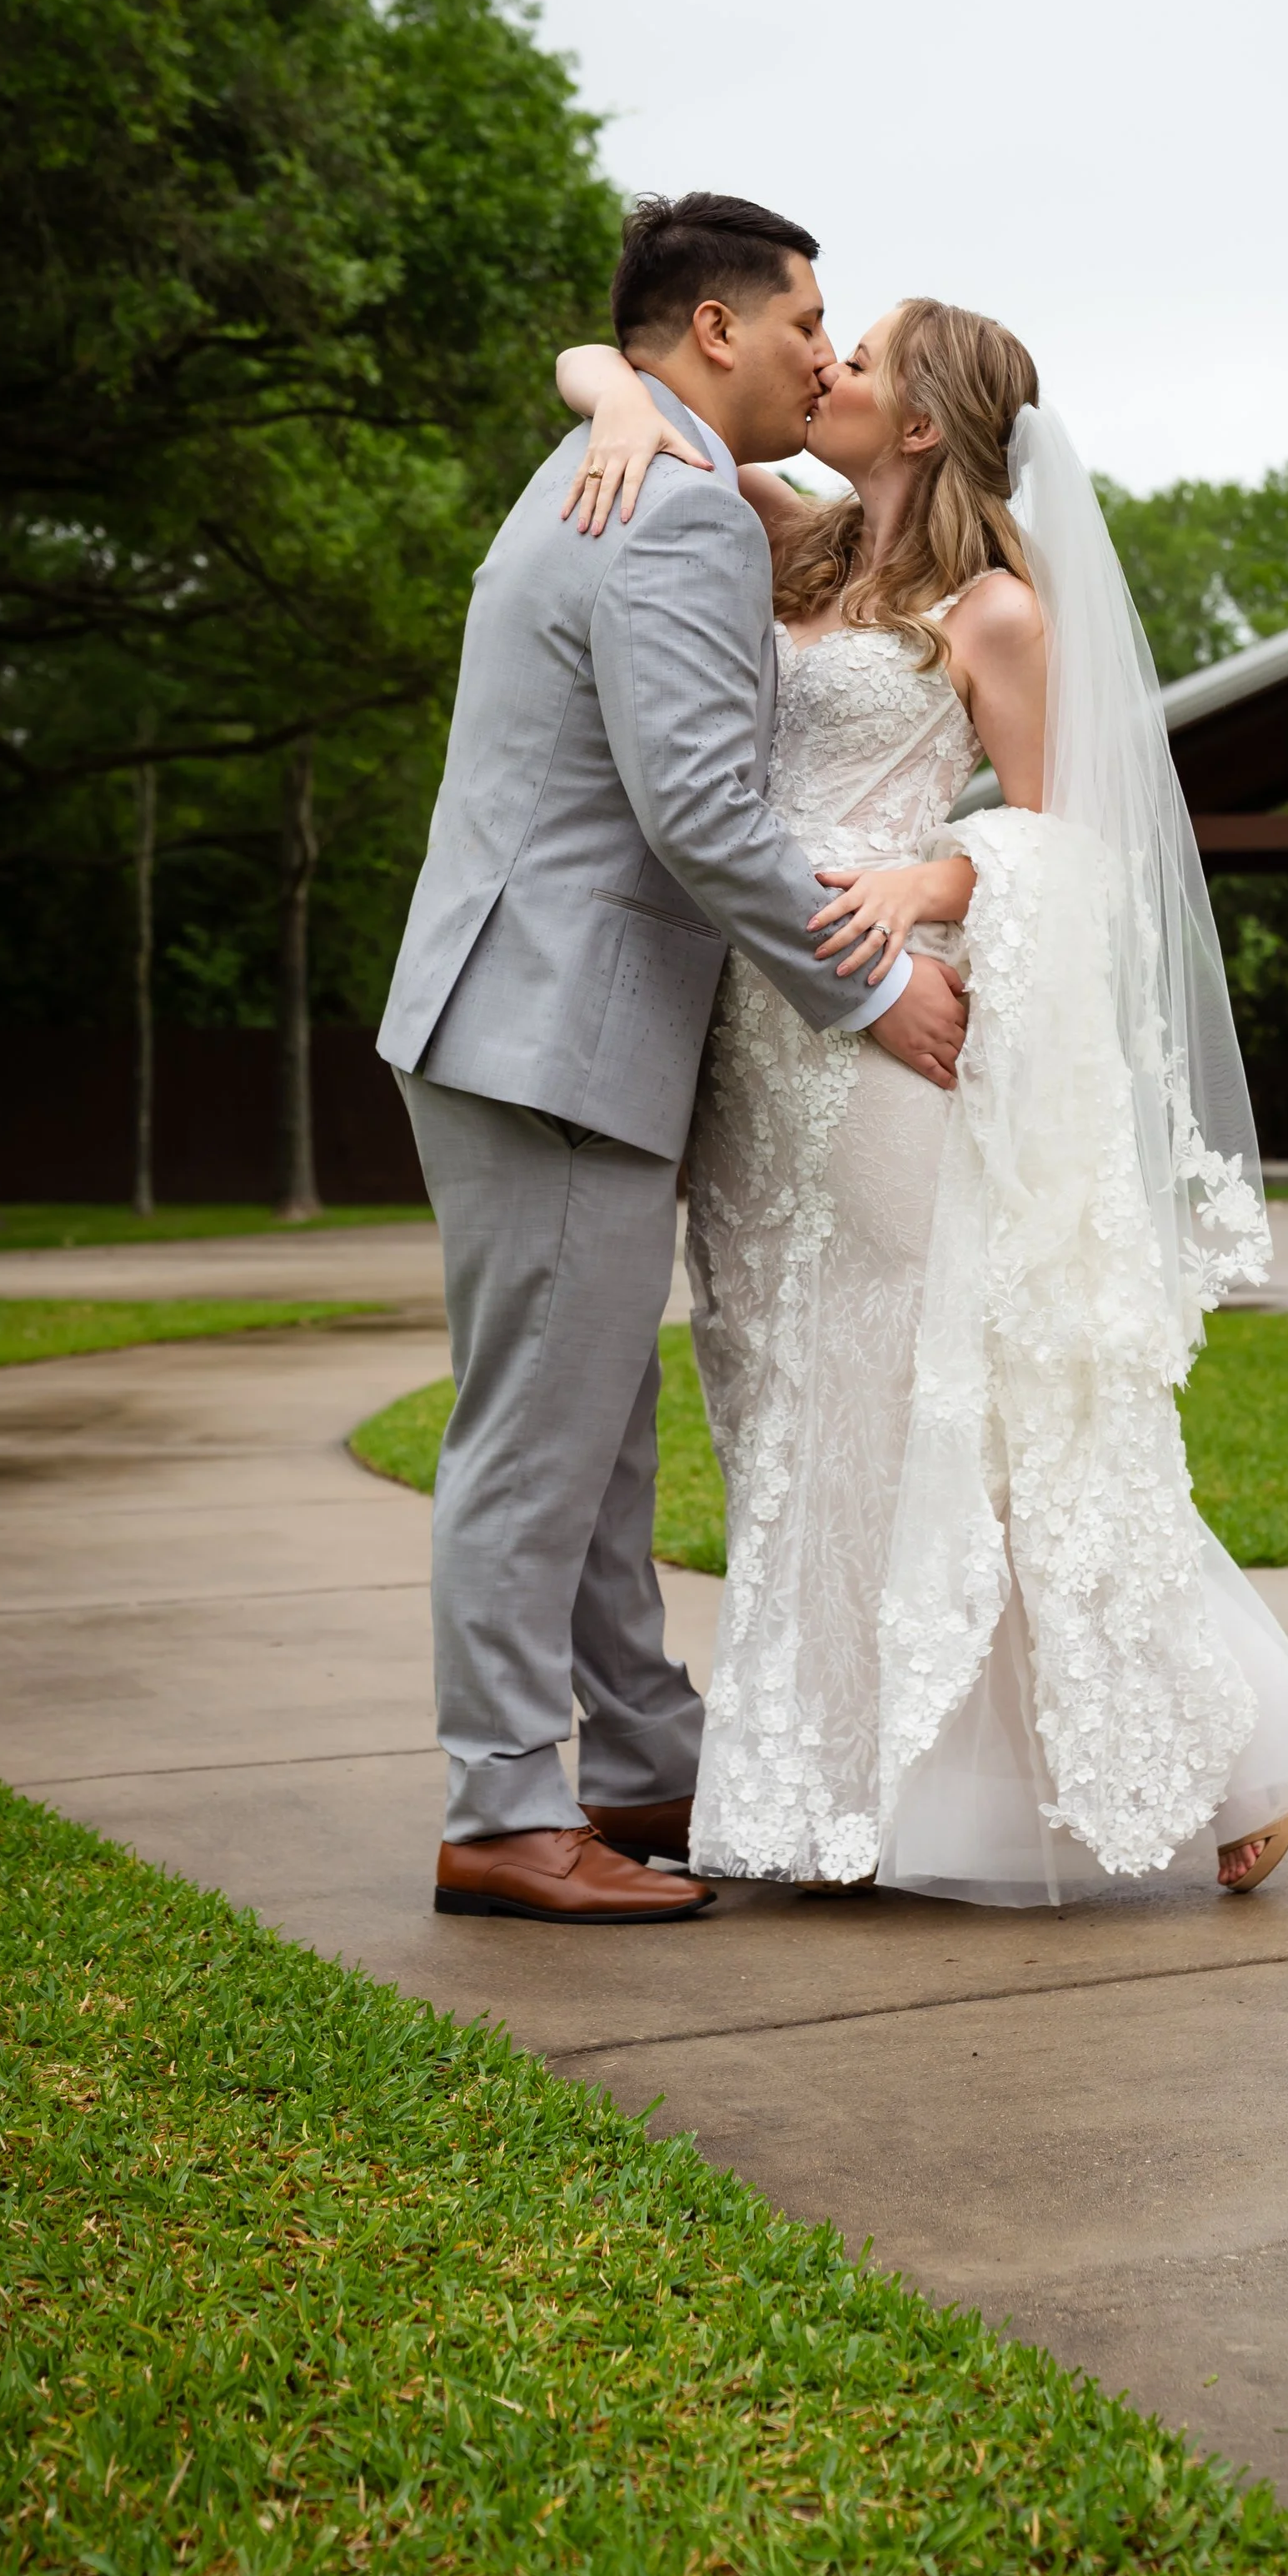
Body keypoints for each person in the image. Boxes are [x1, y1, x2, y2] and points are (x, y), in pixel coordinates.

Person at [557, 299, 1288, 1904]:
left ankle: (1242, 1747)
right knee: (796, 1415)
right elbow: (600, 358)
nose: (828, 367)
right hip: (754, 1052)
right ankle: (849, 1785)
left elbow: (1076, 849)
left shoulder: (997, 611)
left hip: (884, 1037)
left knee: (960, 1409)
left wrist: (937, 869)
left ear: (922, 422)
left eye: (864, 360)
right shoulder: (793, 541)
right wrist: (620, 406)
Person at [377, 193, 970, 1925]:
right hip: (553, 1025)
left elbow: (611, 373)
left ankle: (639, 1759)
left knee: (597, 1436)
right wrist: (868, 990)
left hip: (532, 1014)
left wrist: (606, 383)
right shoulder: (683, 512)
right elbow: (701, 808)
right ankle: (501, 1809)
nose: (821, 348)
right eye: (804, 319)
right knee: (536, 1442)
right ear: (716, 333)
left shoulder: (634, 457)